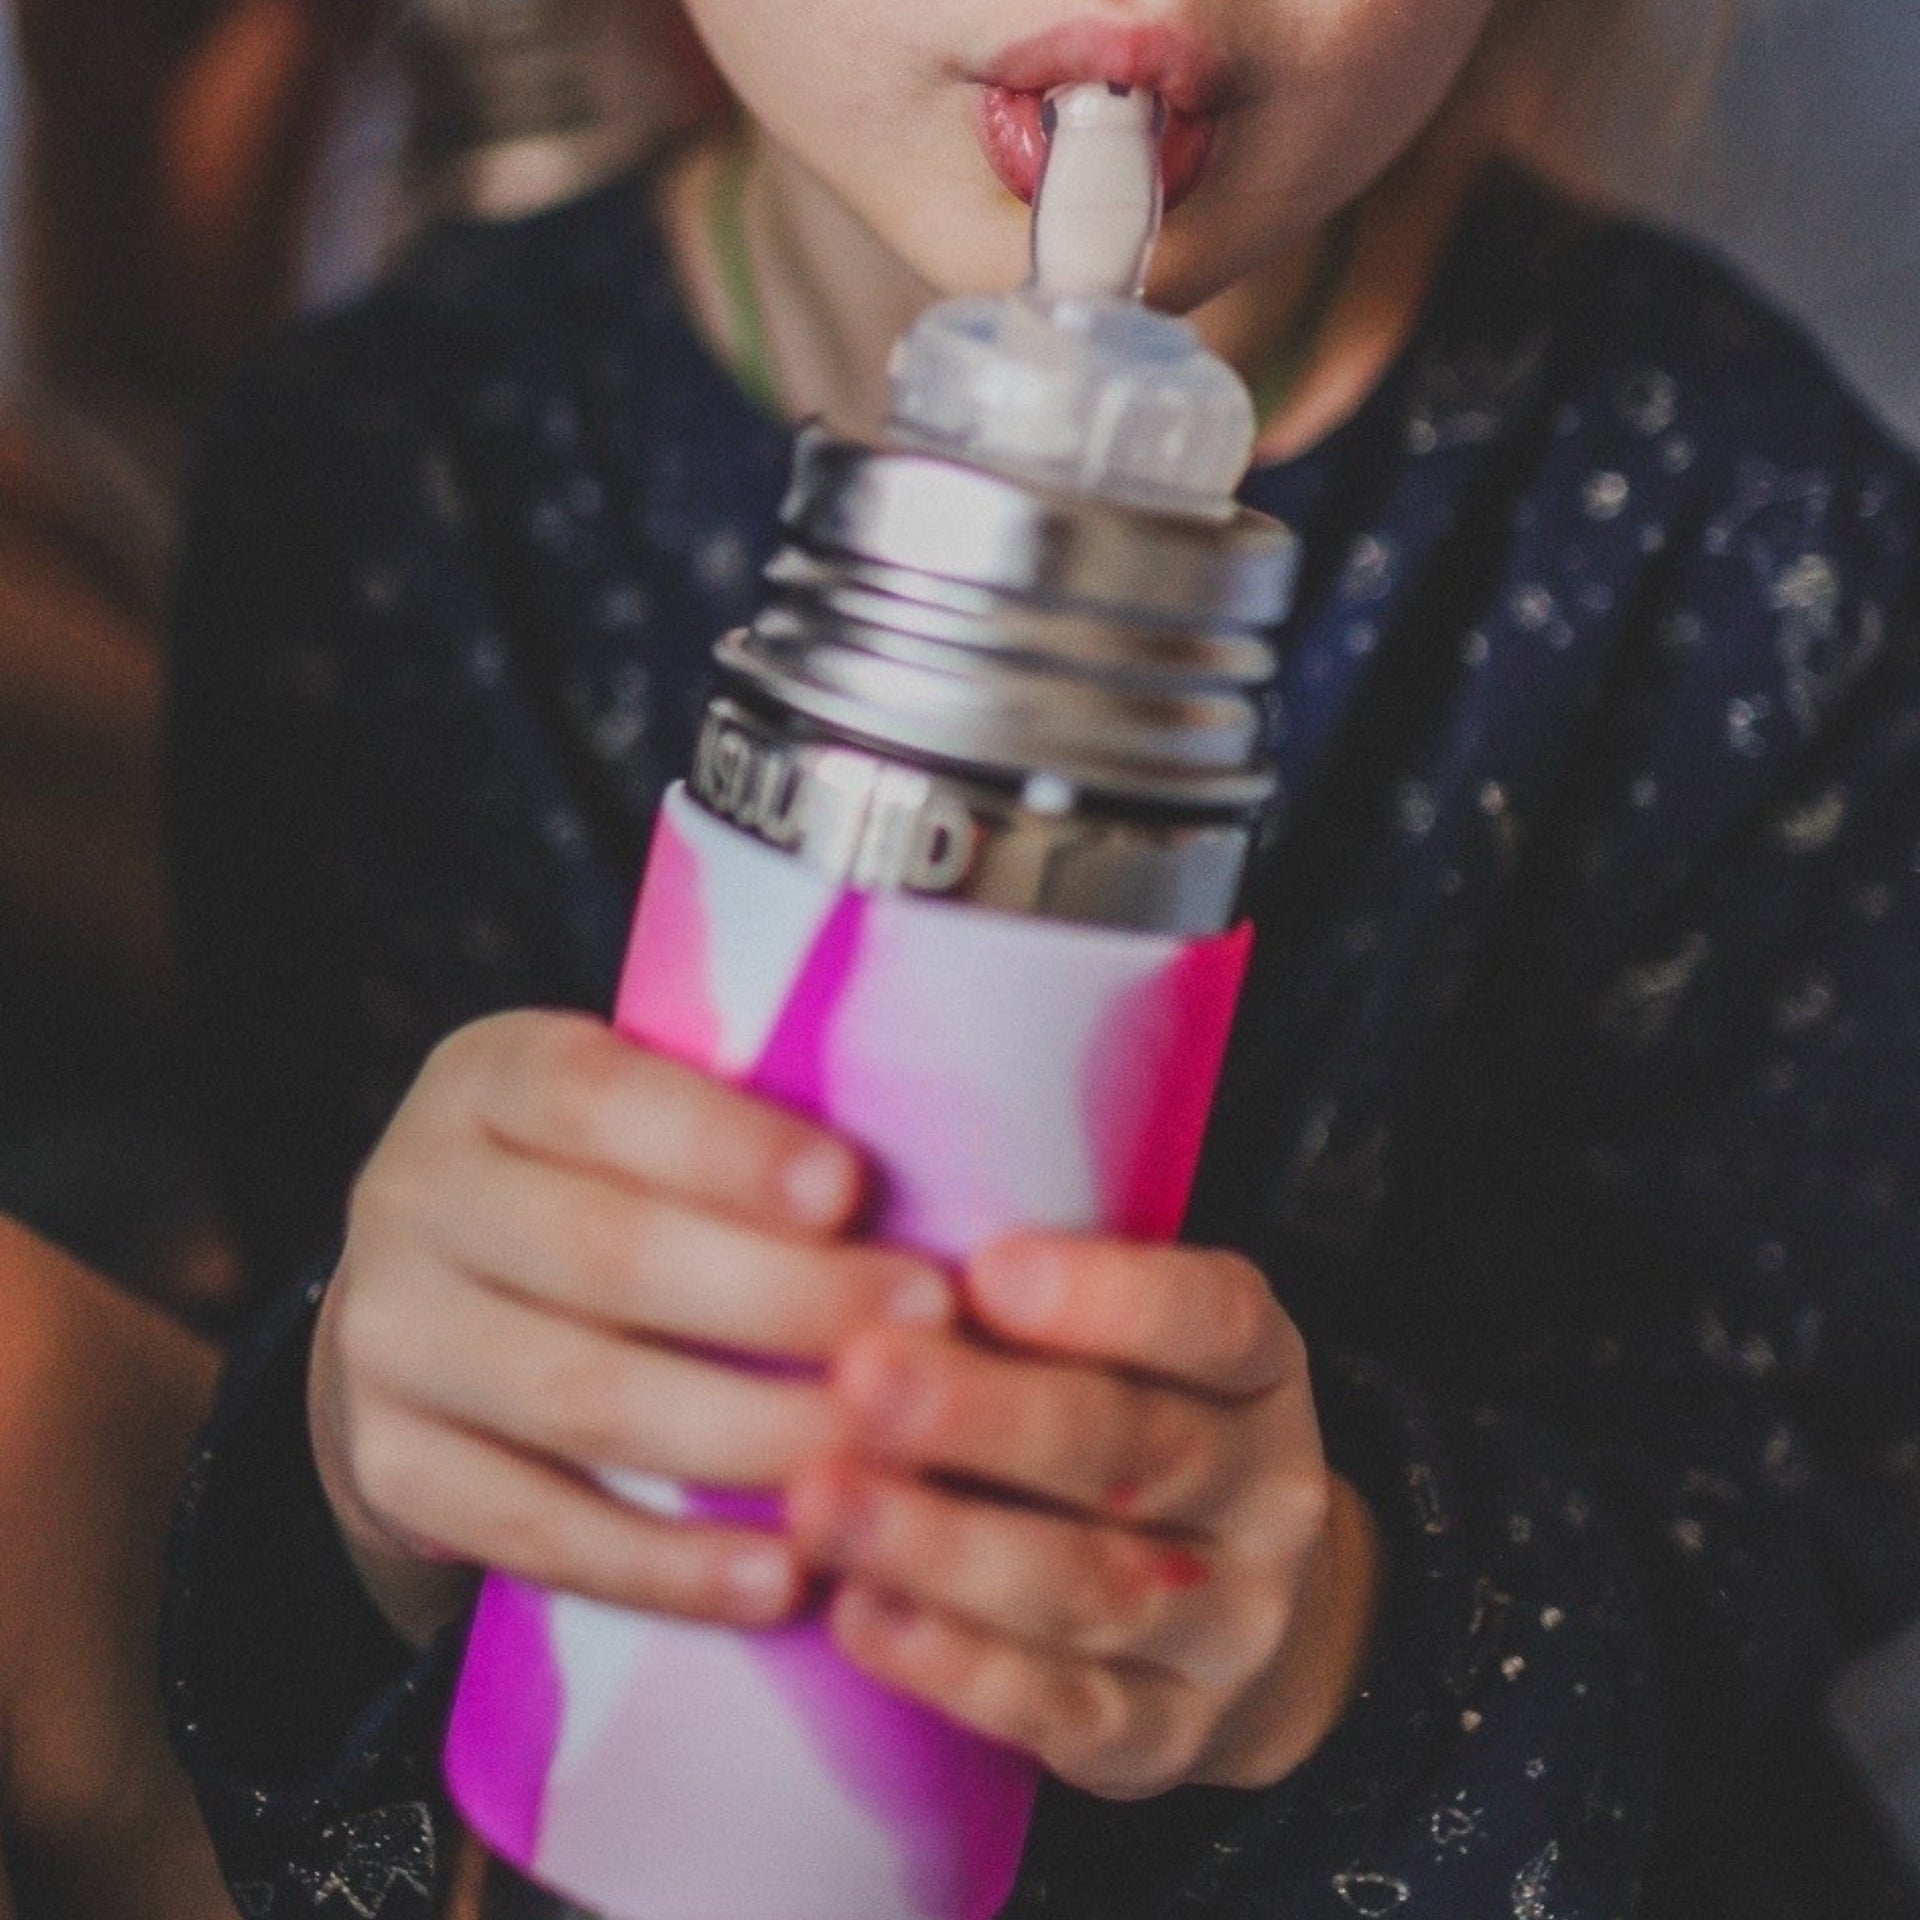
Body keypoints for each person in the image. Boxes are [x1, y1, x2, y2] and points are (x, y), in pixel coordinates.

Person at [161, 0, 1920, 1912]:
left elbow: (1773, 1541)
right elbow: (318, 1697)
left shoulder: (1755, 553)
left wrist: (1348, 1631)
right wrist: (371, 1455)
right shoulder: (387, 494)